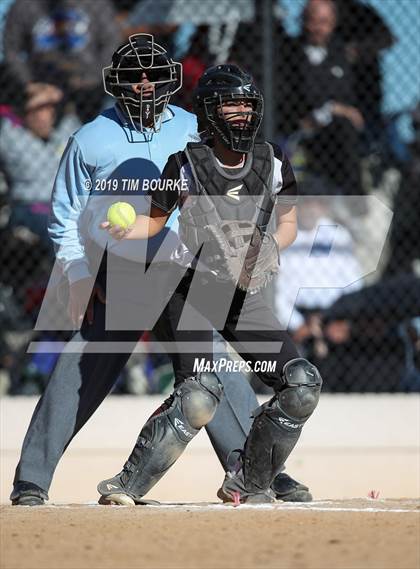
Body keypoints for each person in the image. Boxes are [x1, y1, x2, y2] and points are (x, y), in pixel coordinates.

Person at [10, 35, 309, 506]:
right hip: (119, 274)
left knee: (211, 368)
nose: (145, 83)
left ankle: (261, 470)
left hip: (188, 272)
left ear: (171, 80)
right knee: (80, 365)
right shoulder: (89, 139)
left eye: (153, 74)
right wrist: (79, 275)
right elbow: (65, 218)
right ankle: (32, 479)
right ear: (116, 84)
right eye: (134, 76)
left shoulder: (196, 129)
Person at [97, 64, 322, 505]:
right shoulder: (185, 164)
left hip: (241, 292)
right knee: (200, 395)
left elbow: (289, 223)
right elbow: (155, 220)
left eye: (247, 104)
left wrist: (270, 244)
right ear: (208, 113)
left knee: (301, 383)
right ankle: (127, 485)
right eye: (230, 104)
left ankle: (248, 480)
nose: (241, 113)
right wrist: (126, 229)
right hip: (187, 289)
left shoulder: (273, 162)